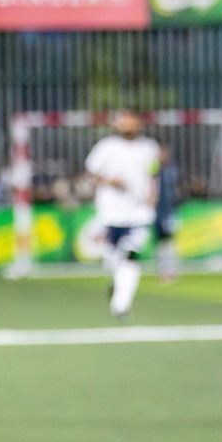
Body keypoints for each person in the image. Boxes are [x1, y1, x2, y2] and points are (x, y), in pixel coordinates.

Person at [84, 110, 159, 320]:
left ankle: (121, 305)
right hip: (111, 212)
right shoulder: (106, 147)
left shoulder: (149, 147)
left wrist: (153, 196)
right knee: (113, 260)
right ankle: (116, 286)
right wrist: (110, 181)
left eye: (130, 120)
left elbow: (152, 174)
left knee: (130, 254)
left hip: (138, 213)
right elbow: (91, 172)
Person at [154, 143, 180, 284]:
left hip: (169, 212)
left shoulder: (171, 170)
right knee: (160, 243)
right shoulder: (154, 171)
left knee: (169, 243)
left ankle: (171, 270)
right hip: (157, 213)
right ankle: (163, 271)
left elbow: (177, 191)